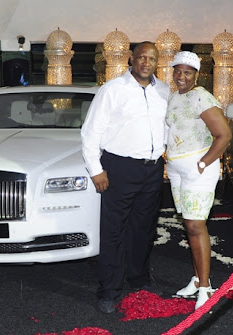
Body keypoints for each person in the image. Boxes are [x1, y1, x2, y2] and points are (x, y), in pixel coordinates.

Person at [81, 42, 170, 314]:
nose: (146, 62)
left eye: (151, 58)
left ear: (157, 62)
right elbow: (90, 132)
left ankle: (139, 279)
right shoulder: (112, 90)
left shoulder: (164, 91)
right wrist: (96, 169)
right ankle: (109, 289)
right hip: (119, 167)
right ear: (132, 59)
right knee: (114, 230)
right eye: (141, 57)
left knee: (144, 228)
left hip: (153, 169)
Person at [165, 51, 232, 309]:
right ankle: (196, 279)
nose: (181, 76)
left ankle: (205, 287)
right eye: (178, 71)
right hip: (176, 170)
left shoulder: (202, 97)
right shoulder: (174, 97)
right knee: (189, 225)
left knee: (196, 226)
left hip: (198, 170)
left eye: (187, 72)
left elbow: (224, 135)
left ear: (197, 75)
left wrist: (204, 163)